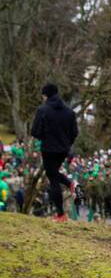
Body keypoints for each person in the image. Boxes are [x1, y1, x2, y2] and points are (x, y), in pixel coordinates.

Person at [30, 83, 79, 220]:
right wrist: (66, 143)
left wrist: (44, 136)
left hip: (49, 149)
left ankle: (60, 214)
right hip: (64, 149)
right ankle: (70, 184)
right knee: (54, 173)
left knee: (53, 179)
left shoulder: (43, 110)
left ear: (46, 95)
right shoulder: (69, 112)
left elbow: (35, 131)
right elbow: (74, 132)